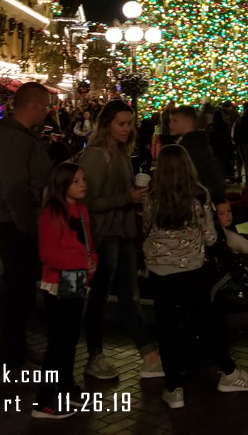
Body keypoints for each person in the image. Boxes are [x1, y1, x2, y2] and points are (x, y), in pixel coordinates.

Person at [144, 144, 248, 409]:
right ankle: (229, 372)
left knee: (166, 327)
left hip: (160, 270)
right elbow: (209, 235)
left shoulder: (153, 196)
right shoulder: (198, 195)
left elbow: (146, 228)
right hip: (192, 270)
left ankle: (174, 389)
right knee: (208, 321)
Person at [79, 100, 162, 380]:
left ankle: (149, 355)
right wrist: (127, 197)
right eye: (121, 124)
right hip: (105, 234)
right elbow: (88, 200)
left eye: (129, 124)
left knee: (128, 295)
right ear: (107, 125)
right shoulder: (97, 155)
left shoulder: (120, 153)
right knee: (103, 296)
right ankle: (96, 355)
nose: (127, 129)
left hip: (123, 233)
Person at [0, 81, 53, 371]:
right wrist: (28, 224)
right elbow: (14, 188)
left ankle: (16, 350)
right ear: (35, 105)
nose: (49, 112)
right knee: (17, 292)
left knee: (22, 292)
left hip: (15, 221)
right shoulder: (13, 140)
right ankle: (10, 357)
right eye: (47, 106)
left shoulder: (19, 137)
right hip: (14, 225)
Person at [32, 162, 97, 419]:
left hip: (77, 281)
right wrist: (83, 261)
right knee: (58, 341)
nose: (83, 185)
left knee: (69, 338)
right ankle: (45, 399)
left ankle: (67, 387)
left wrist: (92, 261)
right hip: (58, 282)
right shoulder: (52, 214)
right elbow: (48, 254)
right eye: (76, 181)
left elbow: (88, 242)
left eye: (83, 180)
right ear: (63, 186)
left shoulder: (81, 210)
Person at [170, 105, 225, 203]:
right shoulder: (200, 141)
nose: (170, 124)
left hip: (198, 199)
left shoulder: (188, 147)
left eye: (175, 121)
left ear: (188, 122)